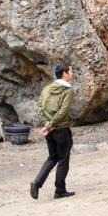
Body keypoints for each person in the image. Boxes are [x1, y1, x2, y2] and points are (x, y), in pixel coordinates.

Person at [30, 64, 76, 200]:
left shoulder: (47, 89)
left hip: (49, 130)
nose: (72, 74)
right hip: (61, 128)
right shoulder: (68, 90)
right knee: (63, 159)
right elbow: (63, 111)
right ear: (65, 73)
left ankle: (37, 183)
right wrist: (52, 124)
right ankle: (60, 190)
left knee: (52, 157)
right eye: (71, 71)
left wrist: (47, 123)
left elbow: (40, 107)